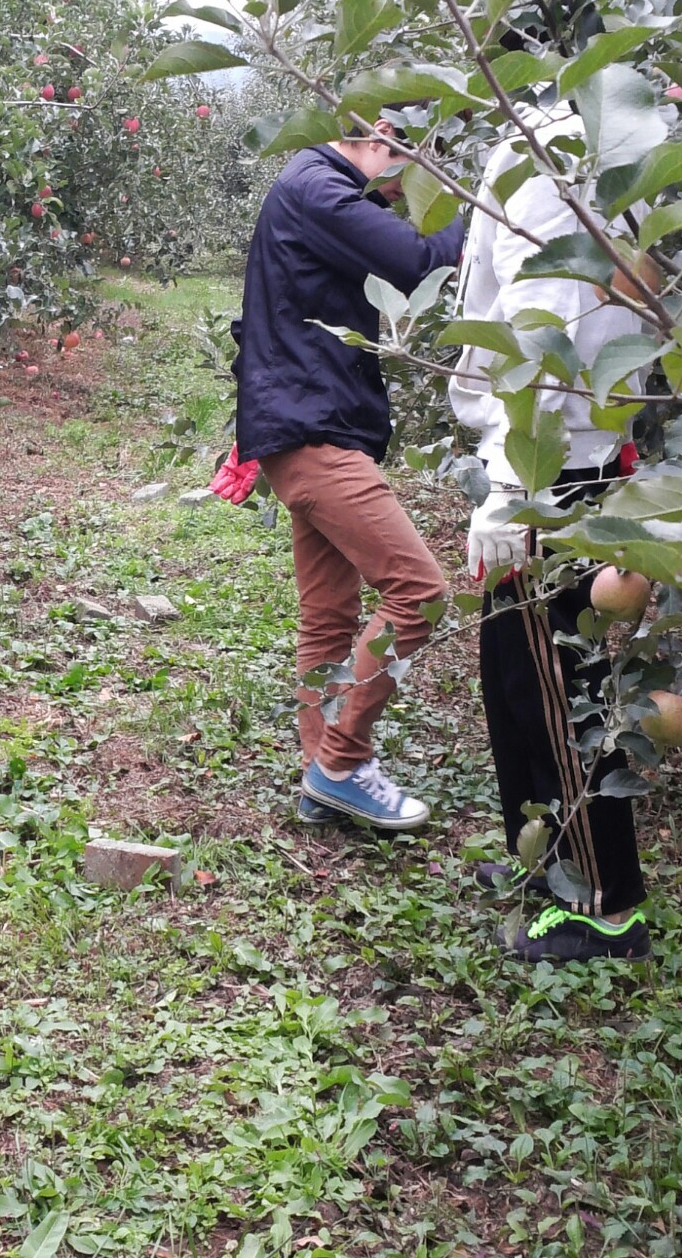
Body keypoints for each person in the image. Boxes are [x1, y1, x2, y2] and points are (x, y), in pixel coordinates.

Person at [450, 109, 650, 962]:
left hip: (549, 468)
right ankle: (546, 868)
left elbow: (547, 315)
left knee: (556, 690)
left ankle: (604, 903)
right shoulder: (554, 134)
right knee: (516, 681)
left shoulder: (553, 143)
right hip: (548, 461)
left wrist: (511, 484)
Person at [233, 120, 465, 831]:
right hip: (314, 432)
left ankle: (322, 776)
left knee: (329, 615)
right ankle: (341, 762)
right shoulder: (321, 190)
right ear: (385, 133)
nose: (402, 195)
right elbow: (419, 262)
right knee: (419, 593)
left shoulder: (308, 186)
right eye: (411, 173)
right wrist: (482, 212)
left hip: (305, 426)